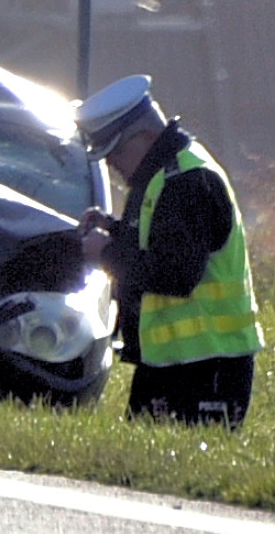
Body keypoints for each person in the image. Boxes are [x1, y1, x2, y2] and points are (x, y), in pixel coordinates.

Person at [77, 74, 262, 427]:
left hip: (208, 368)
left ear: (145, 136)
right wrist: (114, 229)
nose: (111, 164)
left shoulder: (186, 182)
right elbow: (160, 242)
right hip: (171, 364)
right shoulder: (162, 175)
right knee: (132, 473)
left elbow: (175, 274)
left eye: (114, 151)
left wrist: (106, 254)